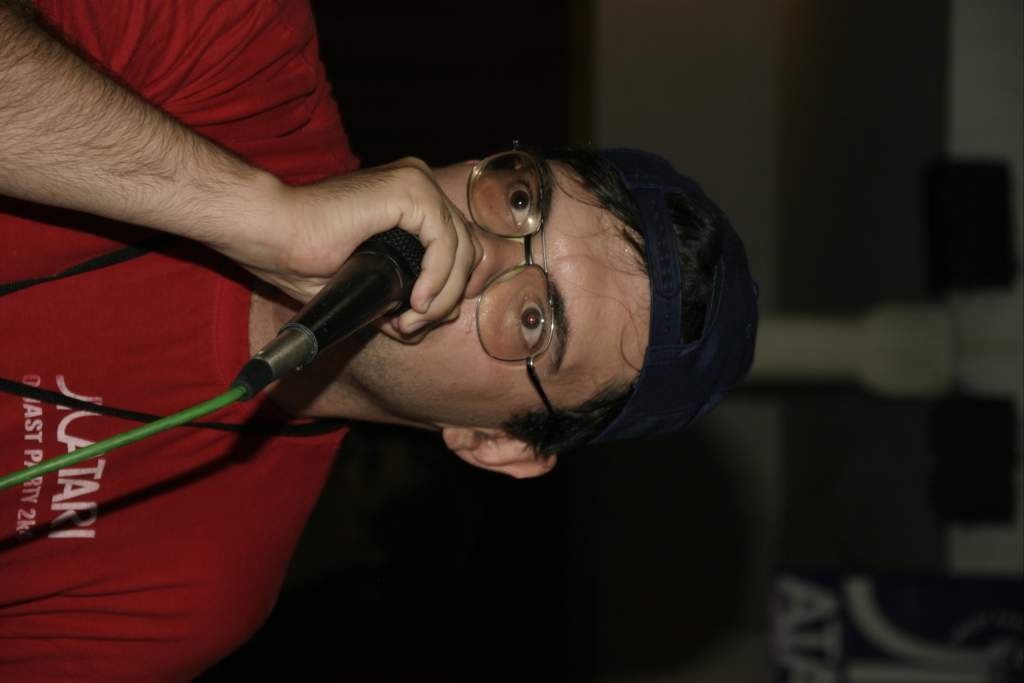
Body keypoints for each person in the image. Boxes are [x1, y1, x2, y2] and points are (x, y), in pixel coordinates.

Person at [0, 0, 758, 679]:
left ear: (496, 443)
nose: (477, 251)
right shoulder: (239, 39)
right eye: (520, 200)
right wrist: (245, 212)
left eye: (534, 320)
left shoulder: (193, 591)